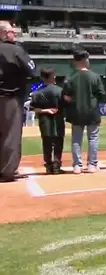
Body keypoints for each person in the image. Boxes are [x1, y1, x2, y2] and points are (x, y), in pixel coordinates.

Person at [0, 21, 36, 182]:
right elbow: (31, 68)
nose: (14, 34)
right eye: (11, 32)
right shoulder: (15, 50)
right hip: (10, 97)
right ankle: (8, 171)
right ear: (4, 33)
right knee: (11, 135)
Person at [62, 49, 106, 174]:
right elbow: (102, 95)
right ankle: (92, 164)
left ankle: (77, 165)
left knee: (76, 139)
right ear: (85, 60)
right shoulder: (95, 76)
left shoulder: (71, 78)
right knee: (93, 138)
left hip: (76, 111)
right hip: (92, 111)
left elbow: (66, 97)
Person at [29, 68, 65, 174]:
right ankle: (56, 166)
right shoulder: (60, 90)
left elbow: (32, 108)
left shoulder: (37, 93)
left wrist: (45, 110)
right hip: (57, 120)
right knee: (58, 141)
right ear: (53, 76)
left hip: (44, 120)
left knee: (46, 142)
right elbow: (65, 106)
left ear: (42, 77)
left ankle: (49, 166)